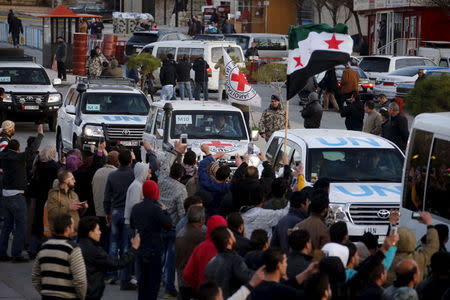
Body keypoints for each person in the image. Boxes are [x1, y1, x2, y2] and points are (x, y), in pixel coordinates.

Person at [0, 125, 43, 262]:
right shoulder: (19, 158)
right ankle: (16, 254)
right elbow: (32, 150)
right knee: (20, 226)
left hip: (6, 195)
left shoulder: (3, 156)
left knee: (7, 226)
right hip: (17, 196)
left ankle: (2, 253)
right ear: (18, 148)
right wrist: (40, 135)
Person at [78, 216, 140, 300]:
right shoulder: (95, 251)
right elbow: (117, 263)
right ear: (90, 232)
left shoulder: (77, 245)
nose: (100, 232)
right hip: (90, 292)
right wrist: (133, 248)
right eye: (98, 229)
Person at [130, 180, 173, 300]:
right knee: (153, 283)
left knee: (142, 282)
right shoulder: (156, 209)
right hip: (154, 248)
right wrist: (165, 211)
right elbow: (168, 225)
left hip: (140, 247)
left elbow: (132, 224)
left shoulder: (136, 208)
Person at [31, 214, 87, 300]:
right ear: (67, 228)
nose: (74, 228)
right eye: (72, 225)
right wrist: (82, 297)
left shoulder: (43, 247)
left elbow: (35, 277)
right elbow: (80, 280)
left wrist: (46, 292)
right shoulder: (73, 248)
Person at [103, 150, 136, 289]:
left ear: (118, 161)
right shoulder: (133, 175)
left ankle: (111, 274)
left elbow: (107, 197)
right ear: (130, 161)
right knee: (126, 245)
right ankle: (125, 275)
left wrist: (107, 212)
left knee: (113, 243)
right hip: (128, 212)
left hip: (115, 211)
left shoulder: (112, 175)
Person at [386, 212, 439, 286]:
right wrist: (429, 224)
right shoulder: (418, 259)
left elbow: (390, 242)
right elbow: (433, 246)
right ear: (412, 240)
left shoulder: (386, 257)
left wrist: (393, 225)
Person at [159, 163, 188, 297]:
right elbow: (182, 212)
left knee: (159, 256)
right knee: (170, 260)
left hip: (159, 223)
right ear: (181, 175)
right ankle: (169, 288)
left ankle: (156, 281)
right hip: (173, 226)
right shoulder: (181, 189)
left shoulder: (162, 181)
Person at [28, 146, 60, 257]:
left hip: (38, 197)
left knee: (37, 223)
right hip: (49, 197)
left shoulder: (38, 164)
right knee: (48, 223)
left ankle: (32, 249)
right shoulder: (54, 166)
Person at [205, 226, 254, 298]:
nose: (234, 237)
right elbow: (249, 277)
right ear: (229, 241)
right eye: (232, 235)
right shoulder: (235, 260)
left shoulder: (210, 263)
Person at [183, 215, 228, 291]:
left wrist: (198, 286)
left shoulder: (200, 247)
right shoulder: (228, 247)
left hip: (204, 293)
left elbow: (187, 274)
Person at [250, 248, 315, 299]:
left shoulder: (256, 283)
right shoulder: (279, 290)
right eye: (285, 262)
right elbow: (302, 295)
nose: (286, 264)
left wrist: (307, 271)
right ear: (279, 265)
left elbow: (289, 283)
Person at [176, 206, 206, 300]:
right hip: (192, 279)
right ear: (201, 219)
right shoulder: (200, 236)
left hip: (182, 278)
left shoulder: (181, 232)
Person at [46, 169, 87, 236]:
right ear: (65, 180)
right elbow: (52, 213)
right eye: (72, 179)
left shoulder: (73, 194)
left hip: (75, 233)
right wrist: (68, 208)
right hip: (61, 234)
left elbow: (79, 213)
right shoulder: (53, 194)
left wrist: (83, 207)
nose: (75, 181)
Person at [271, 188, 311, 253]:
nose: (308, 205)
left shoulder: (282, 220)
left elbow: (274, 244)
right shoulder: (301, 222)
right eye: (307, 202)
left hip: (282, 260)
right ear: (302, 205)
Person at [198, 145, 230, 216]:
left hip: (205, 215)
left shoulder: (206, 182)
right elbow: (240, 181)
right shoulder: (228, 188)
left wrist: (215, 156)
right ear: (226, 178)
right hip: (222, 217)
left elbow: (202, 165)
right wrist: (243, 164)